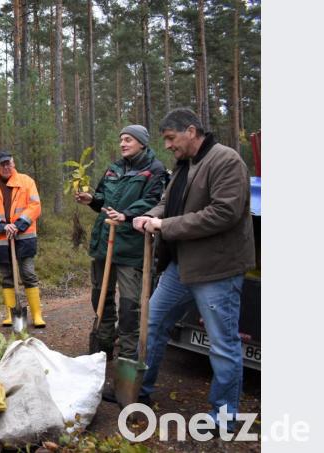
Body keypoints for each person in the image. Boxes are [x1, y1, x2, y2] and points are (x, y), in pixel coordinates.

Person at [133, 108, 254, 433]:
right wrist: (148, 216)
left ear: (190, 131)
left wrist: (165, 224)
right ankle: (139, 392)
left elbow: (223, 213)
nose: (168, 146)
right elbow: (169, 204)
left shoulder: (225, 161)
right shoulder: (186, 166)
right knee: (153, 322)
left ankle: (225, 417)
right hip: (180, 266)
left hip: (216, 268)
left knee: (222, 342)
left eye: (171, 139)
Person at [74, 125, 166, 360]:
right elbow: (103, 199)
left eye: (128, 140)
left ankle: (127, 353)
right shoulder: (114, 168)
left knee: (129, 305)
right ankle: (103, 346)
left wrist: (126, 214)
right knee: (100, 297)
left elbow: (153, 201)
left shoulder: (154, 170)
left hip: (131, 246)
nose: (123, 144)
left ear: (142, 143)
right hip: (105, 243)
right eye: (121, 140)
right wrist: (92, 199)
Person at [0, 151, 45, 328]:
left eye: (9, 163)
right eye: (3, 164)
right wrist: (1, 226)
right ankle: (11, 314)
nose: (7, 167)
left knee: (28, 274)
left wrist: (19, 224)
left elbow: (35, 206)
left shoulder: (26, 182)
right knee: (7, 276)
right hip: (1, 239)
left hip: (24, 236)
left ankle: (37, 315)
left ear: (14, 163)